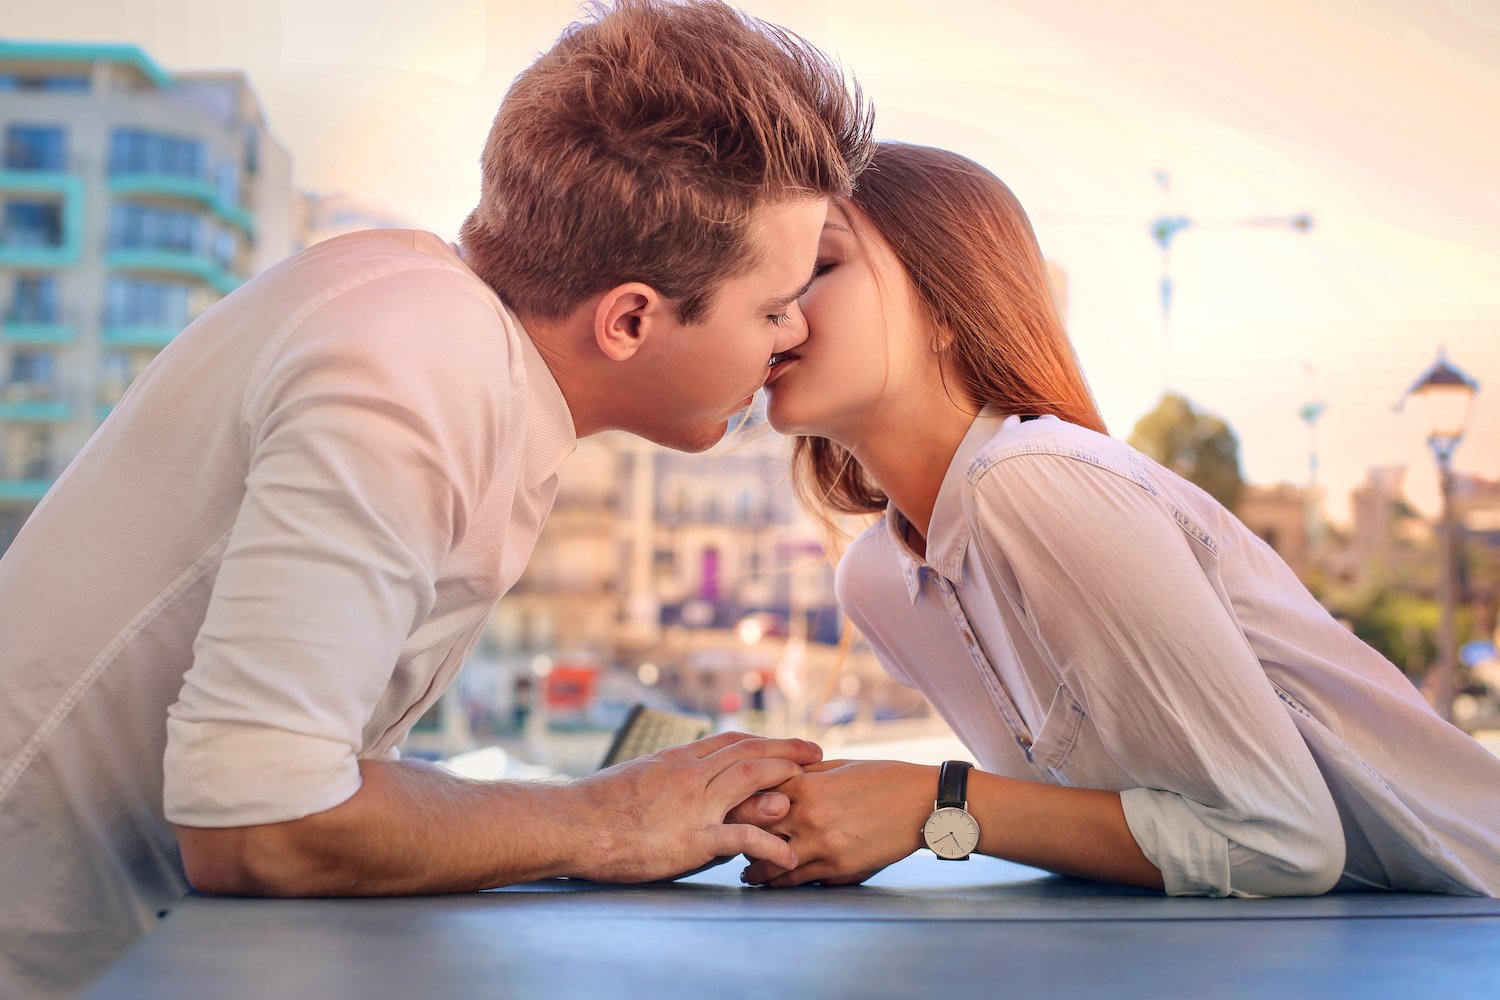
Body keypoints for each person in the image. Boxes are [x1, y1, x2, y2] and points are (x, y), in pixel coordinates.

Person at [0, 2, 873, 995]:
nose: (792, 336)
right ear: (630, 318)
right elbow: (257, 821)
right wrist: (612, 821)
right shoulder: (420, 364)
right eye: (772, 306)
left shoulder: (443, 341)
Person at [745, 142, 1500, 897]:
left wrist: (933, 803)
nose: (778, 305)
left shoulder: (1030, 474)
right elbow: (1116, 831)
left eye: (821, 266)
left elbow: (1285, 845)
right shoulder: (880, 582)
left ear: (947, 305)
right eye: (769, 276)